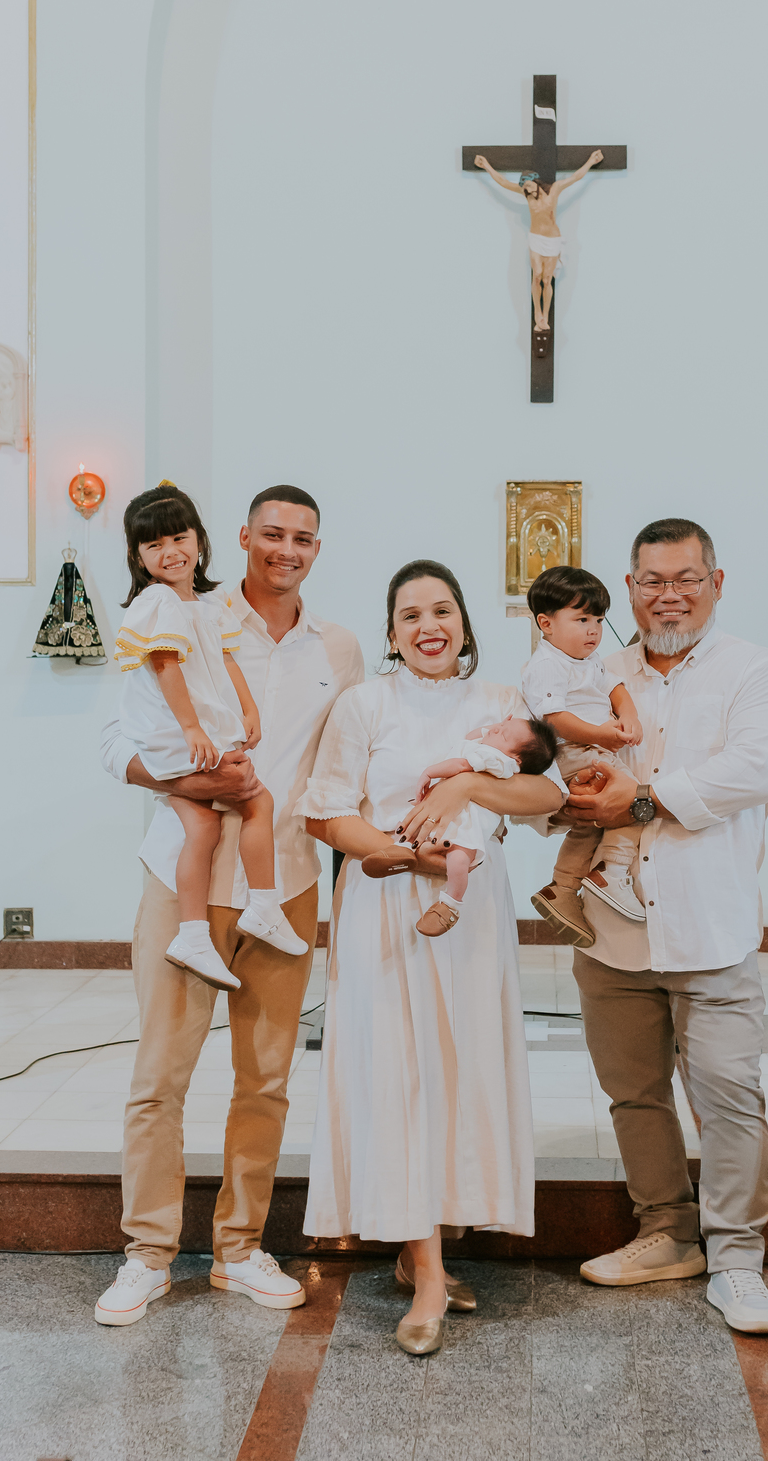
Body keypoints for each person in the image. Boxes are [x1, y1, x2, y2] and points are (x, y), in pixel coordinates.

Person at [93, 485, 364, 1327]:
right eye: (273, 534)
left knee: (268, 1081)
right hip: (186, 883)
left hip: (285, 884)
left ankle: (240, 1248)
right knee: (159, 1078)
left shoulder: (340, 648)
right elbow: (113, 743)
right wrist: (180, 779)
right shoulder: (187, 613)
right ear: (240, 538)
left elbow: (350, 765)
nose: (287, 549)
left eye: (304, 539)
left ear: (318, 549)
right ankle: (147, 1255)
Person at [298, 560, 563, 1355]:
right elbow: (325, 812)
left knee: (457, 1071)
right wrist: (397, 854)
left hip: (470, 914)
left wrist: (468, 794)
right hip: (384, 908)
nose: (427, 627)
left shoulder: (500, 703)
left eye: (441, 610)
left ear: (464, 624)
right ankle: (429, 1271)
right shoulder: (364, 704)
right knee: (398, 1077)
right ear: (391, 634)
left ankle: (427, 1256)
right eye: (409, 615)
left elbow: (549, 798)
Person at [563, 519, 768, 1335]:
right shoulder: (595, 673)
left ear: (717, 581)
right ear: (627, 586)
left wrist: (636, 798)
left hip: (712, 927)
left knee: (730, 1096)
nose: (669, 594)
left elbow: (753, 771)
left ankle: (737, 1260)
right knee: (633, 1094)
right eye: (652, 580)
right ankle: (665, 1232)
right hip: (612, 928)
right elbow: (559, 762)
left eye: (686, 578)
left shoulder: (756, 674)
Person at [114, 489, 306, 992]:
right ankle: (259, 907)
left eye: (180, 537)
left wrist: (248, 708)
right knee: (256, 800)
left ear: (200, 540)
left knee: (203, 827)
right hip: (174, 739)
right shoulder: (156, 603)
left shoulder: (202, 605)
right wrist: (193, 729)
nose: (171, 551)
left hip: (188, 737)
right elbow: (165, 666)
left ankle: (196, 933)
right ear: (138, 557)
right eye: (154, 545)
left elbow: (225, 661)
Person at [523, 565, 646, 946]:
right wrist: (600, 736)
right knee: (636, 800)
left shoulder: (589, 661)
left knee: (588, 823)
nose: (594, 629)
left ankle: (562, 886)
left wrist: (628, 715)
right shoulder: (546, 665)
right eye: (581, 619)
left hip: (595, 746)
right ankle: (612, 869)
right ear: (546, 624)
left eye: (599, 619)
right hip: (577, 751)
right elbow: (554, 718)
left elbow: (616, 688)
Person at [361, 712, 558, 936]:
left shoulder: (499, 761)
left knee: (458, 860)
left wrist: (430, 772)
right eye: (501, 725)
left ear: (517, 759)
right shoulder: (488, 748)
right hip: (450, 816)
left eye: (503, 734)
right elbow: (473, 735)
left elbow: (461, 765)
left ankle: (451, 903)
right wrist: (503, 728)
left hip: (468, 826)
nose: (494, 729)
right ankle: (400, 851)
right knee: (416, 825)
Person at [472, 148, 604, 332]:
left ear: (535, 181)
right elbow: (502, 182)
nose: (527, 190)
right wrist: (486, 165)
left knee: (547, 278)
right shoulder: (527, 196)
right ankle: (537, 316)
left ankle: (545, 317)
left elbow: (575, 177)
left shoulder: (554, 190)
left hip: (552, 240)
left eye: (528, 185)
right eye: (524, 188)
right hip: (535, 239)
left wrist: (591, 161)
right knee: (536, 276)